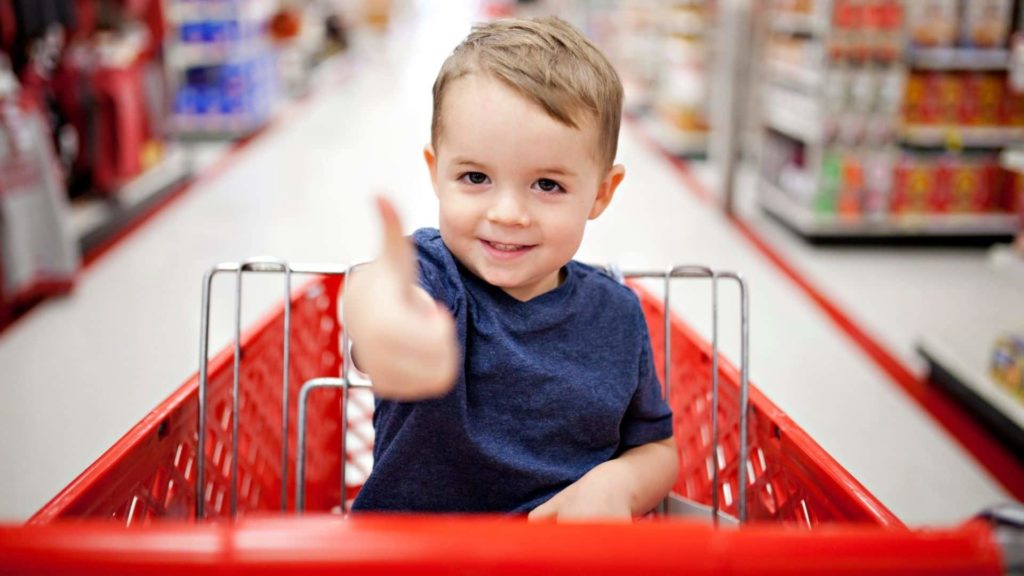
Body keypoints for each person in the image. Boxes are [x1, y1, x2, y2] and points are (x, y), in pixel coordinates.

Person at [344, 16, 678, 520]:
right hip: (415, 558)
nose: (507, 213)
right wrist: (383, 317)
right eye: (475, 176)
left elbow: (657, 449)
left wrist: (618, 483)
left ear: (601, 193)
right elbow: (389, 295)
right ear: (437, 173)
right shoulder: (438, 277)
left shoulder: (617, 316)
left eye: (547, 185)